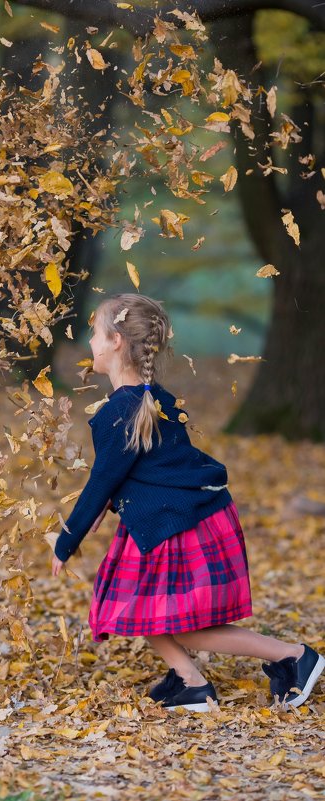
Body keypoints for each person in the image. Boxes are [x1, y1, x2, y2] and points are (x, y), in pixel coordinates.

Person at [52, 294, 324, 711]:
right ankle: (188, 680)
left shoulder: (120, 412)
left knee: (184, 624)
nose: (90, 342)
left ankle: (293, 656)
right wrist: (108, 509)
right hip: (178, 516)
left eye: (94, 333)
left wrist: (67, 539)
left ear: (116, 342)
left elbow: (103, 477)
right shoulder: (155, 398)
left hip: (179, 525)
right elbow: (146, 469)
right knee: (139, 605)